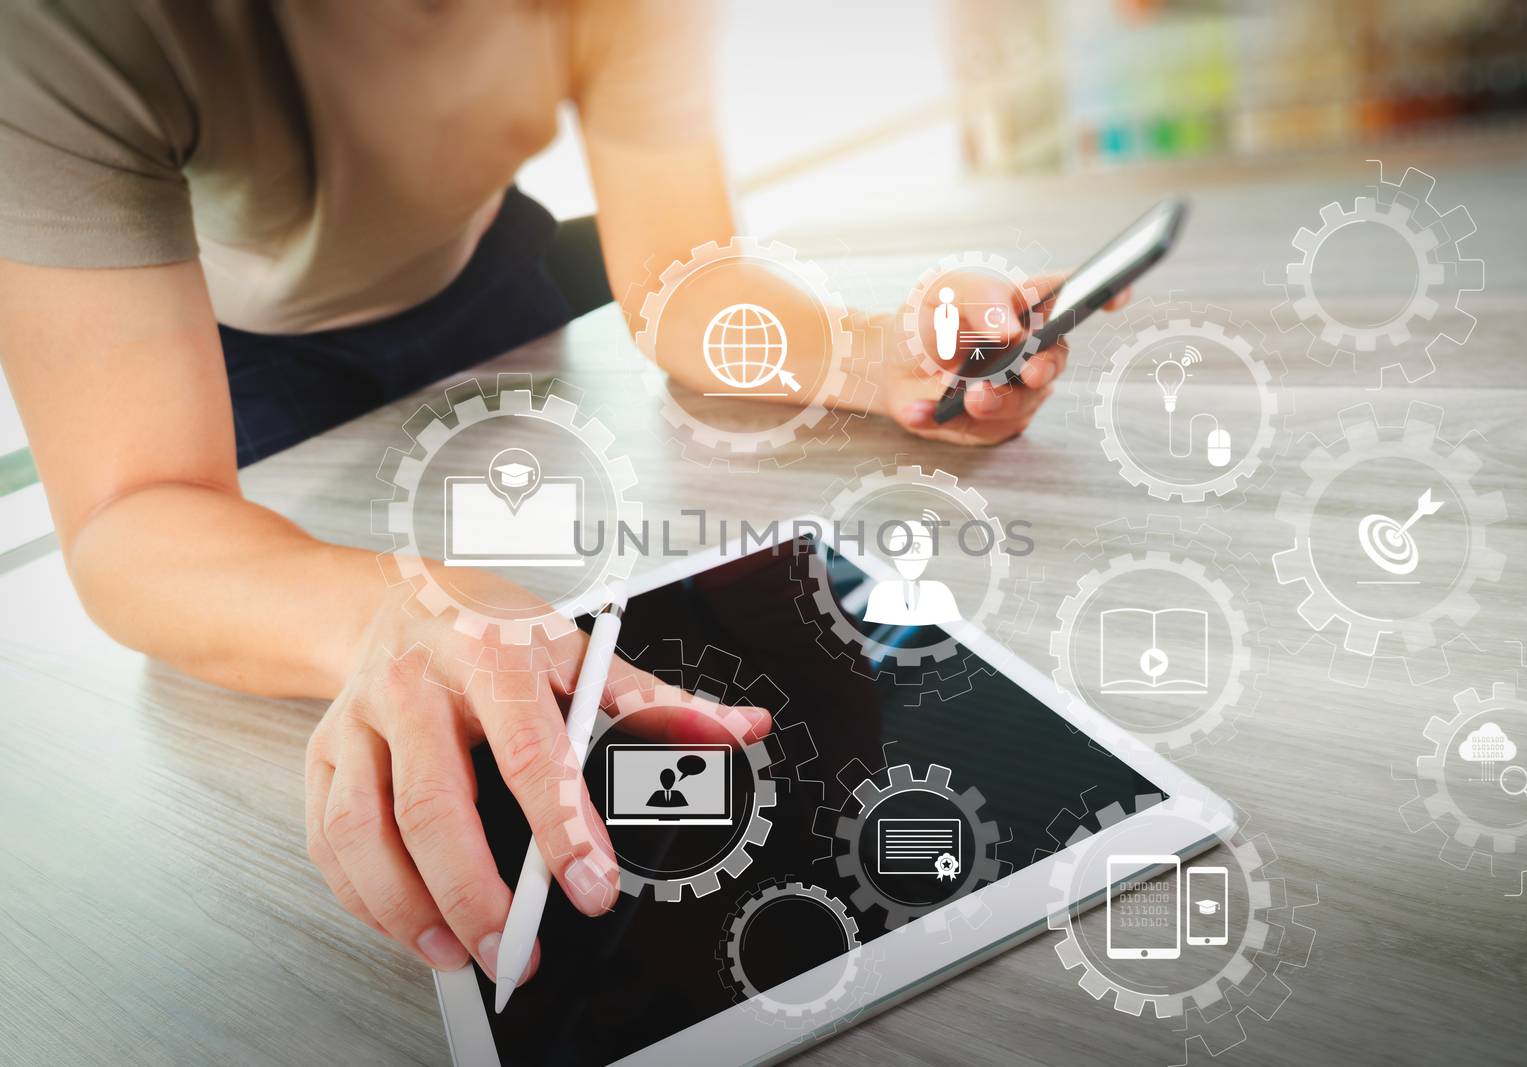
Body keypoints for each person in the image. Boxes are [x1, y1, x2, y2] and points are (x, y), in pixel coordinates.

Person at [0, 2, 1127, 989]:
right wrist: (388, 607)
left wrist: (872, 353)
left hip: (491, 280)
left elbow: (684, 277)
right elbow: (130, 510)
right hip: (232, 348)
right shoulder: (63, 30)